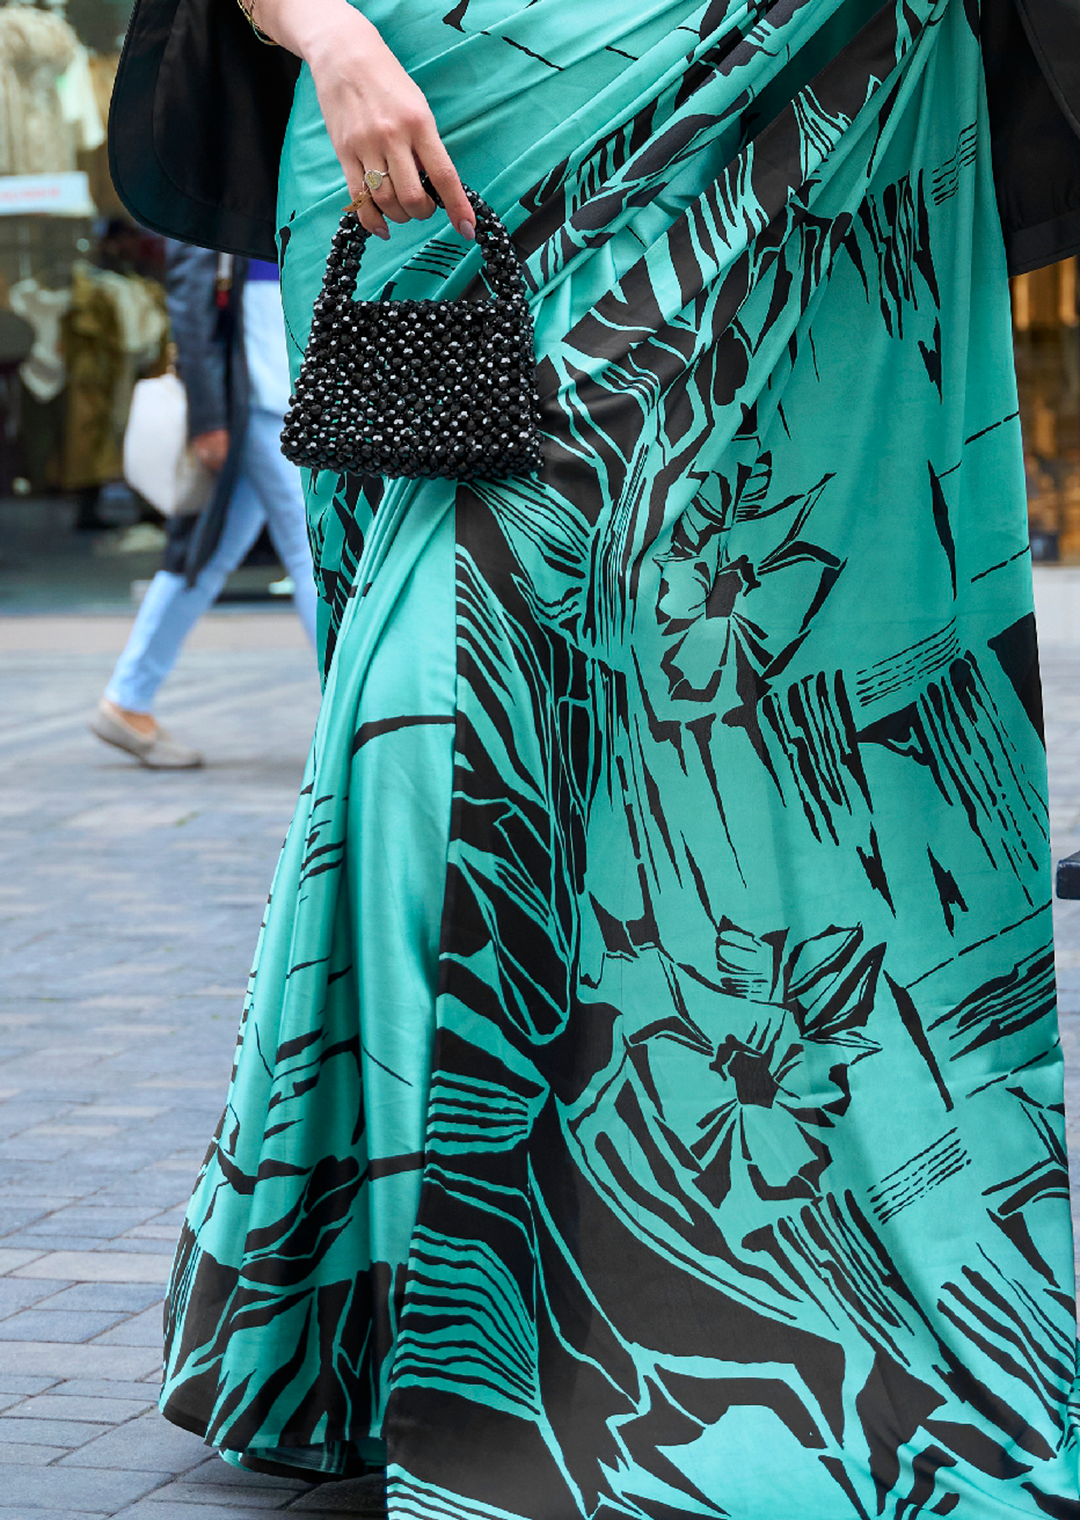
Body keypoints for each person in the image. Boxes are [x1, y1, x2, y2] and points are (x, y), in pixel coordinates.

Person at [109, 0, 1080, 1513]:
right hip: (429, 135)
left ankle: (666, 1322)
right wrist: (331, 41)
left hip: (743, 111)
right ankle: (392, 1324)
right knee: (420, 718)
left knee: (713, 720)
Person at [89, 243, 318, 769]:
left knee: (206, 556)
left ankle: (127, 699)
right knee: (314, 553)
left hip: (277, 400)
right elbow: (191, 306)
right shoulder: (220, 186)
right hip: (257, 405)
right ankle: (352, 715)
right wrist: (209, 420)